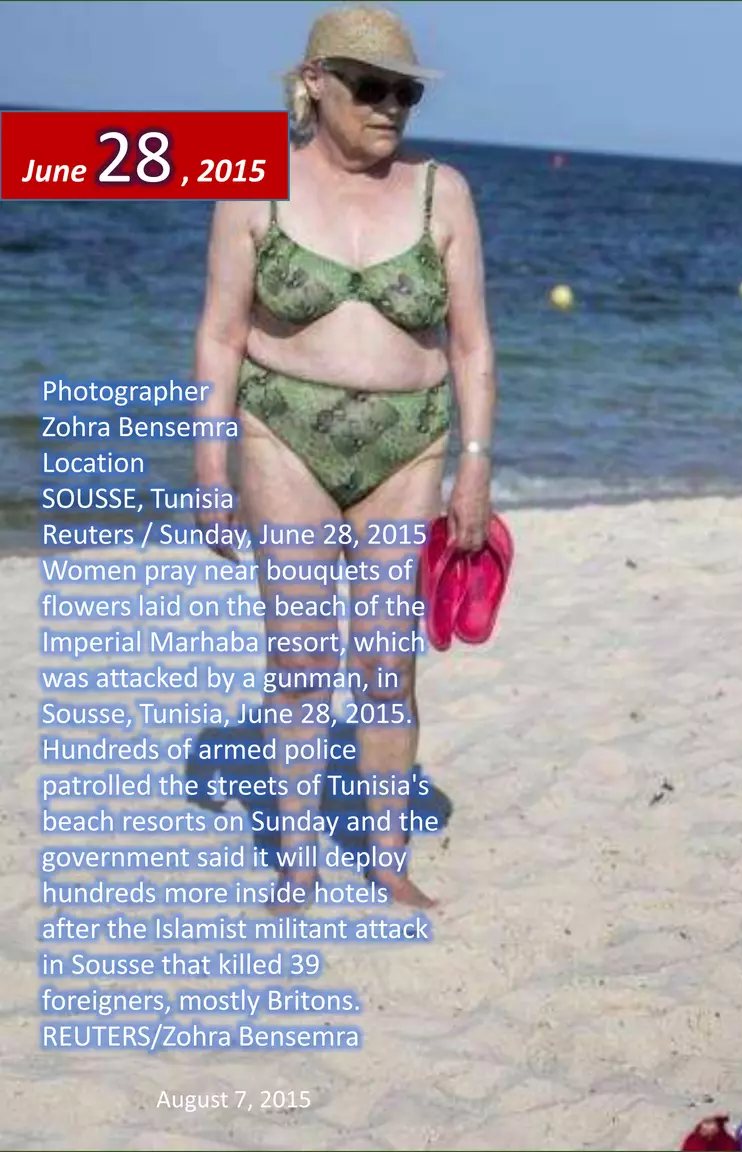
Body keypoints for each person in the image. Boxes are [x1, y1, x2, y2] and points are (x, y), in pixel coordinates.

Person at [189, 4, 498, 910]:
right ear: (314, 82)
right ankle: (297, 862)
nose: (389, 106)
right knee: (298, 656)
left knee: (382, 661)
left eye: (403, 92)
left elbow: (474, 346)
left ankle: (387, 856)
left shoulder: (446, 192)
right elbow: (219, 336)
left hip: (411, 446)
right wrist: (209, 465)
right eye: (370, 87)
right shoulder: (252, 186)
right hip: (282, 430)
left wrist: (473, 464)